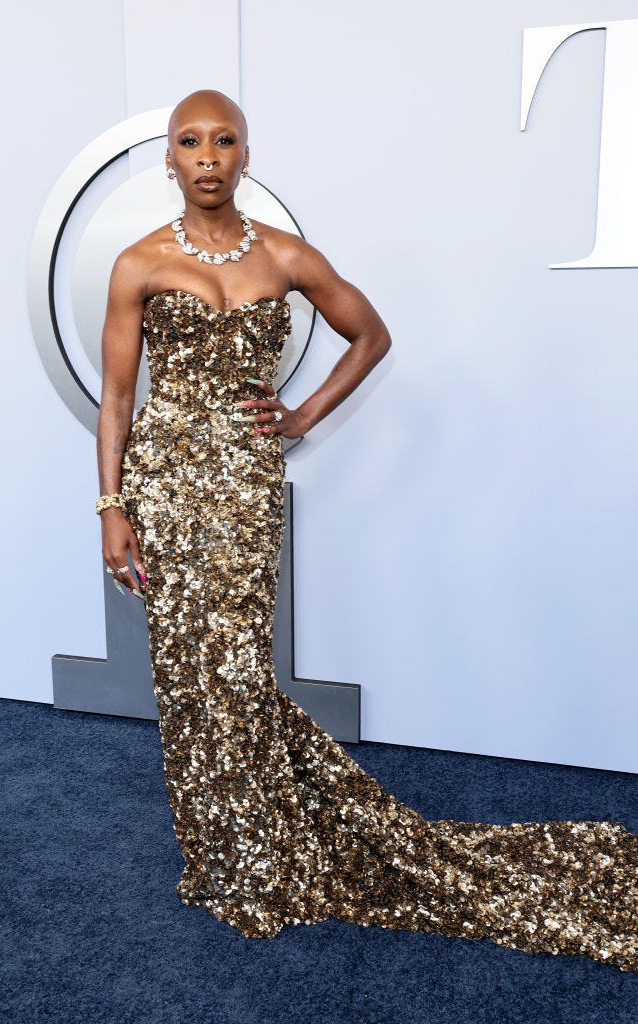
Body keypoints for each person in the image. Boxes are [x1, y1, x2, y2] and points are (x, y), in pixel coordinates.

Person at [95, 89, 637, 971]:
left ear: (244, 155)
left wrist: (302, 414)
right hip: (163, 489)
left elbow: (369, 334)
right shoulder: (136, 264)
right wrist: (111, 507)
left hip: (243, 492)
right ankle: (225, 858)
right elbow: (118, 397)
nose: (206, 156)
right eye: (188, 141)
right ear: (168, 158)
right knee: (185, 675)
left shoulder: (285, 255)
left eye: (223, 140)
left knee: (234, 670)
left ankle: (262, 855)